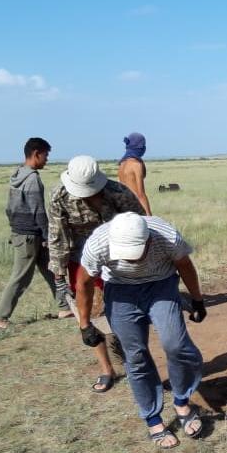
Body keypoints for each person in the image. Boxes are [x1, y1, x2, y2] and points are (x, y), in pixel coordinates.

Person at [77, 212, 208, 450]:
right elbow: (83, 282)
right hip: (120, 292)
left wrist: (197, 300)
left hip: (161, 286)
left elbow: (185, 265)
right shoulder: (98, 243)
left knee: (176, 345)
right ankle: (153, 418)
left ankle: (181, 401)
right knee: (135, 356)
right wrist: (85, 324)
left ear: (148, 240)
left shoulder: (166, 236)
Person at [48, 155, 145, 391]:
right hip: (80, 261)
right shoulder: (59, 197)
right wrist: (58, 271)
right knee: (88, 315)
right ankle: (106, 369)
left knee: (125, 312)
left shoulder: (118, 193)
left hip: (117, 259)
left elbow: (141, 225)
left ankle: (135, 366)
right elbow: (57, 235)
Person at [0, 137, 71, 328]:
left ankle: (65, 307)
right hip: (30, 235)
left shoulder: (17, 174)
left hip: (23, 232)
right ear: (36, 154)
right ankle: (0, 318)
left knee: (52, 269)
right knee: (21, 277)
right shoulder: (33, 179)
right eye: (46, 155)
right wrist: (46, 235)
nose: (47, 159)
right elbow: (39, 211)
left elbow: (8, 209)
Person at [117, 132, 152, 215]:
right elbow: (140, 194)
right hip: (136, 207)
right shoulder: (136, 165)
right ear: (140, 147)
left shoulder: (122, 164)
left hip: (124, 208)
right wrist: (149, 216)